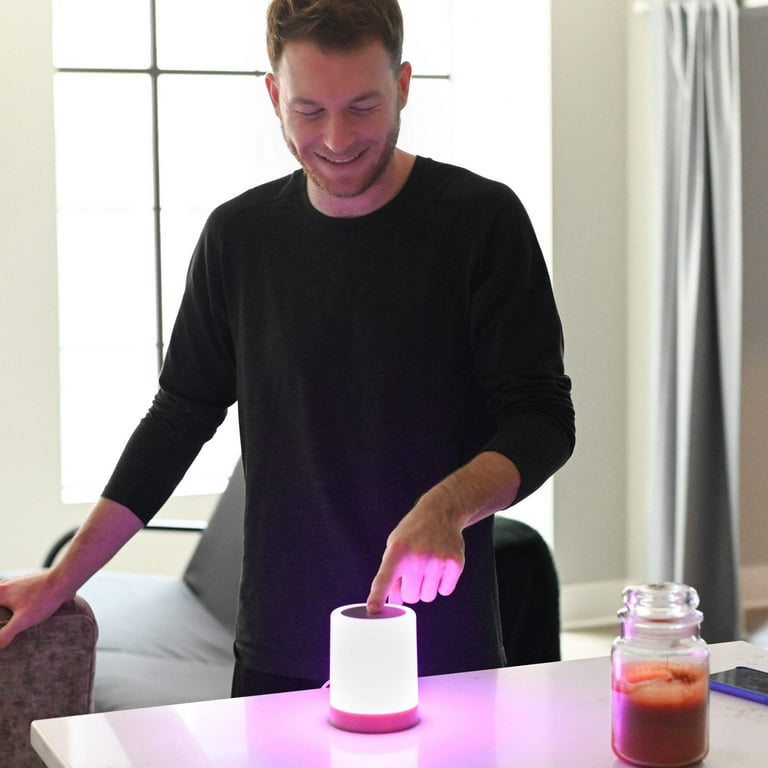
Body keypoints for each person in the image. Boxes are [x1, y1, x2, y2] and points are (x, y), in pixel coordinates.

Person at [0, 0, 574, 696]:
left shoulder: (481, 222)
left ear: (403, 85)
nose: (336, 138)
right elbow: (177, 420)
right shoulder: (239, 238)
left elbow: (542, 419)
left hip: (440, 642)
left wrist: (448, 507)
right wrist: (63, 578)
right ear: (274, 95)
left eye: (362, 107)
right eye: (309, 111)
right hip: (282, 643)